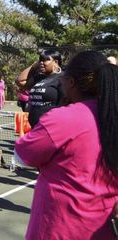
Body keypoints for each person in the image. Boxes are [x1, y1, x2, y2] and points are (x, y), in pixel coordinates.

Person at [15, 50, 118, 239]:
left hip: (60, 228)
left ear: (71, 83)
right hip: (104, 229)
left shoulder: (62, 118)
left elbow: (21, 156)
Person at [28, 50, 64, 128]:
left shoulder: (62, 78)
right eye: (40, 60)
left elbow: (65, 103)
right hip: (35, 127)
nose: (41, 62)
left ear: (56, 62)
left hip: (50, 127)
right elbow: (20, 81)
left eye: (45, 60)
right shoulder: (39, 78)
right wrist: (34, 66)